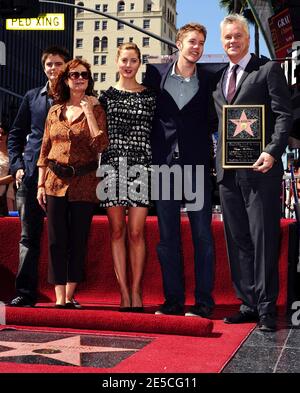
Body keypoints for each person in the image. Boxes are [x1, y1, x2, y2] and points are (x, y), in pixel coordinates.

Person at [213, 14, 293, 331]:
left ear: (247, 38)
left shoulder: (267, 69)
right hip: (229, 174)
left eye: (237, 36)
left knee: (263, 239)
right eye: (227, 38)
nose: (232, 41)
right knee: (238, 240)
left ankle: (265, 308)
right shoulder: (220, 77)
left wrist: (272, 151)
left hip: (261, 171)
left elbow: (283, 115)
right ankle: (246, 302)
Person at [143, 23, 215, 317]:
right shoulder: (155, 76)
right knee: (167, 237)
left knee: (202, 236)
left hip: (197, 168)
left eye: (201, 43)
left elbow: (217, 118)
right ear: (179, 44)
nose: (196, 47)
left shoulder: (212, 79)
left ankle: (203, 302)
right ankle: (172, 300)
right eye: (192, 42)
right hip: (164, 168)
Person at [37, 58, 108, 308]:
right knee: (56, 240)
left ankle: (69, 295)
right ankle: (59, 298)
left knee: (78, 239)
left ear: (89, 81)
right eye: (74, 74)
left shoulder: (97, 109)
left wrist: (89, 112)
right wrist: (40, 184)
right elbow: (45, 148)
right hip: (54, 181)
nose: (79, 78)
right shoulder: (54, 110)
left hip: (85, 183)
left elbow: (101, 145)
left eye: (84, 75)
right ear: (66, 80)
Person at [7, 46, 71, 307]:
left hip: (66, 177)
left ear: (67, 66)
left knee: (65, 236)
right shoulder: (32, 97)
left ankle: (65, 295)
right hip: (31, 175)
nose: (53, 68)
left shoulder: (77, 98)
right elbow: (15, 135)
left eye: (58, 64)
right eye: (49, 64)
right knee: (28, 237)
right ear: (44, 68)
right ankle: (25, 292)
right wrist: (17, 165)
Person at [98, 43, 156, 312]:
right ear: (116, 61)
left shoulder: (150, 96)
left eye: (134, 60)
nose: (129, 65)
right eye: (124, 60)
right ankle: (123, 293)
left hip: (141, 167)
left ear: (140, 63)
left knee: (136, 232)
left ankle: (136, 291)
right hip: (112, 168)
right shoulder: (105, 97)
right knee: (117, 231)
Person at [0, 122, 15, 216]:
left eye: (3, 133)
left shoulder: (12, 155)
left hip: (7, 197)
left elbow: (15, 175)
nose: (0, 135)